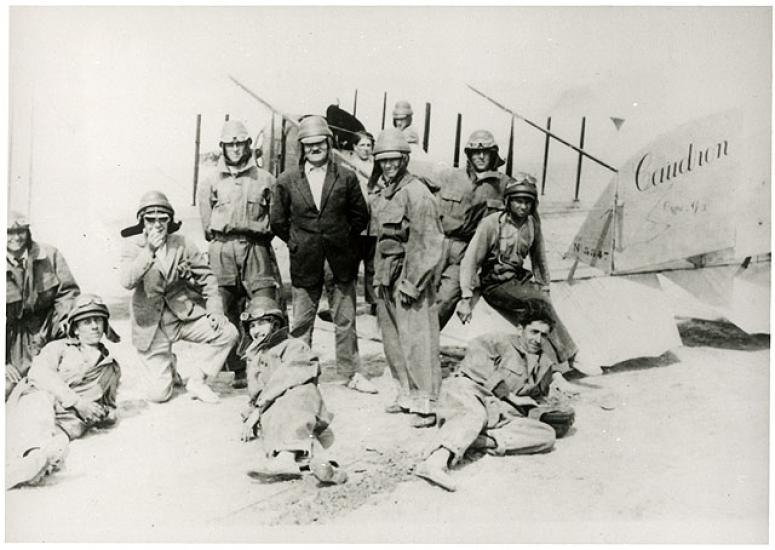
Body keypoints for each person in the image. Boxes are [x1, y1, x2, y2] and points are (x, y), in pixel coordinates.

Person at [415, 301, 575, 492]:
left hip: (499, 412)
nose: (538, 339)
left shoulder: (545, 365)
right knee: (474, 414)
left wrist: (546, 411)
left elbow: (537, 397)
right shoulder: (500, 341)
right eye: (533, 332)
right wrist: (506, 394)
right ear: (520, 329)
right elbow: (476, 358)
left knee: (546, 435)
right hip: (469, 390)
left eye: (543, 335)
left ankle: (477, 440)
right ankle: (435, 463)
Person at [270, 115, 376, 394]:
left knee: (345, 319)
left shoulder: (346, 176)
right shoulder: (287, 180)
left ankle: (350, 372)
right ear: (302, 147)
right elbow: (278, 220)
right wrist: (298, 242)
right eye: (309, 144)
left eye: (320, 143)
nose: (315, 148)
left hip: (340, 259)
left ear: (329, 144)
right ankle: (299, 375)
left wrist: (341, 239)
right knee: (302, 321)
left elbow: (360, 216)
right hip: (305, 259)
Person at [457, 174, 588, 374]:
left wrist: (544, 284)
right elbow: (471, 260)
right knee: (538, 301)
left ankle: (553, 367)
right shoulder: (492, 224)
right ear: (508, 201)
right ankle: (571, 354)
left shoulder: (532, 225)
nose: (523, 206)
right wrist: (466, 297)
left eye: (528, 202)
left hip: (518, 278)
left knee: (539, 309)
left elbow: (539, 257)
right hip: (495, 282)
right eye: (518, 201)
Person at [120, 190, 238, 403]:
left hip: (183, 316)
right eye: (150, 219)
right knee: (158, 395)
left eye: (163, 219)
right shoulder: (133, 247)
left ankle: (198, 381)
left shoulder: (182, 243)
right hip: (151, 326)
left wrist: (215, 310)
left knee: (227, 333)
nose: (157, 225)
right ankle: (168, 365)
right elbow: (127, 281)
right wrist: (149, 251)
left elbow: (208, 279)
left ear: (170, 220)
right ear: (142, 222)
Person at [198, 119, 285, 390]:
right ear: (222, 147)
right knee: (224, 307)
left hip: (256, 247)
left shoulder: (266, 179)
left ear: (249, 145)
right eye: (230, 144)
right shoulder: (211, 180)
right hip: (221, 249)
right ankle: (237, 369)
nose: (235, 148)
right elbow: (205, 221)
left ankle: (268, 366)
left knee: (265, 306)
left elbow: (276, 218)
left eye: (240, 143)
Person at [6, 294, 121, 489]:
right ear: (75, 328)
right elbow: (39, 373)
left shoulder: (110, 368)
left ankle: (27, 467)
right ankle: (29, 458)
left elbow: (109, 405)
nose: (94, 326)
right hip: (37, 406)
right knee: (38, 408)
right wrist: (77, 402)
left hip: (67, 422)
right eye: (87, 321)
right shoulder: (58, 348)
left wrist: (104, 414)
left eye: (98, 320)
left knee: (58, 444)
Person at [370, 128, 444, 428]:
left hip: (409, 274)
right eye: (382, 161)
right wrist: (378, 277)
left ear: (404, 160)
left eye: (393, 160)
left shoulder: (418, 193)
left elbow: (429, 242)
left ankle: (425, 404)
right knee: (393, 341)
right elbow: (381, 240)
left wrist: (413, 282)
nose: (388, 166)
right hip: (386, 274)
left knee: (418, 341)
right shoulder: (384, 192)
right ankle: (405, 394)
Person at [239, 296, 346, 484]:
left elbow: (289, 375)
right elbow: (256, 392)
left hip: (302, 407)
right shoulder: (254, 357)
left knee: (293, 399)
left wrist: (260, 406)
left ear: (275, 324)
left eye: (262, 323)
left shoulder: (294, 346)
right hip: (274, 412)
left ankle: (288, 458)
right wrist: (251, 411)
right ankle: (323, 466)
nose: (256, 330)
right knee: (280, 421)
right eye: (252, 326)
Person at [435, 130, 511, 329]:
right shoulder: (450, 176)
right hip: (439, 243)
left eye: (486, 151)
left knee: (445, 299)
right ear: (468, 154)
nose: (481, 156)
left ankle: (424, 346)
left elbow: (524, 215)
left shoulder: (504, 184)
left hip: (467, 252)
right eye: (476, 152)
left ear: (494, 154)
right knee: (419, 295)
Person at [6, 211, 80, 399]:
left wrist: (63, 320)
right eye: (8, 232)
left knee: (69, 379)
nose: (16, 238)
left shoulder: (49, 255)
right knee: (9, 389)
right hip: (10, 343)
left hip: (48, 332)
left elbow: (68, 292)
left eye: (21, 231)